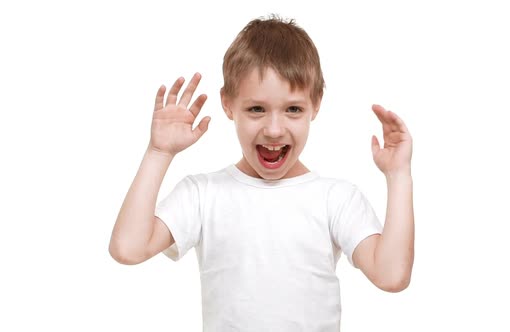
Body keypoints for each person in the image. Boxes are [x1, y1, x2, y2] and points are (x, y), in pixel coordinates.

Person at [109, 14, 414, 331]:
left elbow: (391, 275)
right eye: (256, 109)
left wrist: (399, 176)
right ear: (228, 104)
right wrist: (159, 153)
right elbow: (128, 248)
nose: (273, 129)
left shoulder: (336, 198)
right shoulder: (202, 194)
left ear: (316, 103)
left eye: (293, 109)